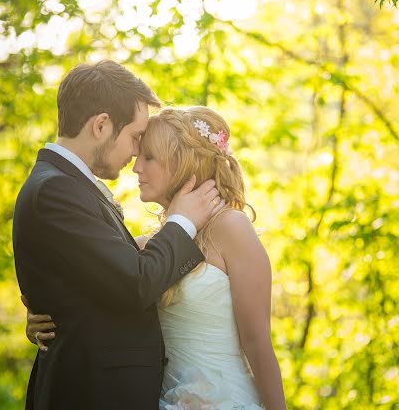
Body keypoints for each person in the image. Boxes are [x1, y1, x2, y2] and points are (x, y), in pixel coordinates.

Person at [27, 105, 287, 409]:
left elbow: (257, 344)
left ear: (182, 163)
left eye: (149, 157)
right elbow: (107, 298)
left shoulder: (231, 228)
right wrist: (45, 320)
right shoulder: (143, 249)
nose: (136, 168)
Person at [14, 61, 223, 410]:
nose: (136, 152)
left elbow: (95, 278)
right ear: (101, 125)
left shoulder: (68, 185)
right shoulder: (57, 191)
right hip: (92, 394)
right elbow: (135, 282)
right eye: (135, 137)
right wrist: (183, 221)